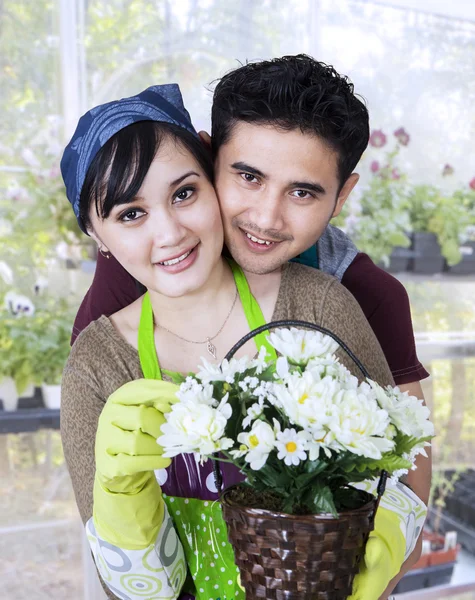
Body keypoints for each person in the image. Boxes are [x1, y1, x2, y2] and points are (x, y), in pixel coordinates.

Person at [60, 84, 426, 600]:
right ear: (98, 236)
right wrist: (123, 497)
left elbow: (399, 470)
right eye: (130, 214)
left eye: (183, 193)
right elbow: (138, 593)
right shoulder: (98, 365)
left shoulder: (320, 306)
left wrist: (384, 550)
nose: (169, 233)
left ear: (210, 180)